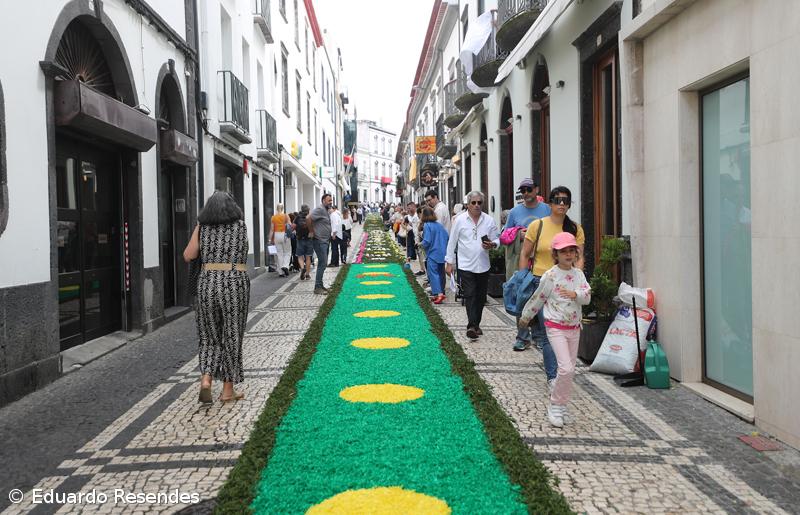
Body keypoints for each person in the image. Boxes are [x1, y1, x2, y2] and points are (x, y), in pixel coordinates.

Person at [183, 191, 250, 404]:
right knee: (231, 335)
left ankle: (206, 381)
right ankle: (228, 391)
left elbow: (188, 255)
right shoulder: (240, 226)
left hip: (207, 282)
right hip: (234, 281)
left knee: (208, 335)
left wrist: (199, 226)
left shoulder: (202, 228)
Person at [518, 232, 590, 428]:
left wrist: (576, 294)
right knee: (565, 367)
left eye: (571, 251)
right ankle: (556, 406)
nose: (568, 255)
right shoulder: (550, 276)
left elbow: (587, 297)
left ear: (576, 254)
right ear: (555, 255)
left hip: (574, 327)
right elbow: (539, 297)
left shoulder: (579, 275)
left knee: (570, 370)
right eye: (563, 251)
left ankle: (562, 405)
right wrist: (526, 317)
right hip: (555, 326)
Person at [518, 186, 585, 388]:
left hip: (567, 286)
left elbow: (579, 257)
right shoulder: (537, 226)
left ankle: (564, 371)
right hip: (542, 282)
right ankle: (552, 377)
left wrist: (578, 279)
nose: (561, 204)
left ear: (570, 204)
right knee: (548, 333)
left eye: (565, 200)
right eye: (557, 200)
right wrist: (523, 278)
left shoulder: (575, 229)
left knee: (567, 330)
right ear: (550, 203)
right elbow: (525, 253)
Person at [503, 178, 552, 351]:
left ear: (536, 189)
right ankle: (522, 337)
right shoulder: (515, 212)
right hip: (521, 261)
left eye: (529, 189)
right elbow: (505, 235)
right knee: (521, 297)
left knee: (541, 298)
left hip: (542, 261)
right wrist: (519, 235)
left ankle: (539, 336)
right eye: (522, 190)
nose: (525, 193)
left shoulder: (546, 209)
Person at [445, 191, 500, 340]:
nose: (476, 205)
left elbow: (497, 239)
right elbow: (452, 241)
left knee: (481, 297)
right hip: (465, 265)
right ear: (467, 204)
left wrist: (493, 244)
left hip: (483, 265)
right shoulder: (460, 220)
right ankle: (471, 325)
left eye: (479, 203)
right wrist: (449, 262)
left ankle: (476, 324)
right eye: (473, 203)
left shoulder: (488, 220)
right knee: (470, 294)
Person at [419, 207, 448, 304]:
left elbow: (427, 241)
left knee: (433, 274)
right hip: (442, 253)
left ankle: (438, 294)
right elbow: (447, 236)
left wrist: (420, 244)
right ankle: (441, 291)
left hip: (432, 253)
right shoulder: (439, 225)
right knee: (441, 273)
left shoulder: (427, 225)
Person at [309, 193, 333, 294]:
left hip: (325, 240)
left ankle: (320, 285)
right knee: (322, 263)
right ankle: (317, 287)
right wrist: (311, 231)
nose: (331, 202)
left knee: (323, 263)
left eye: (331, 200)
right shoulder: (319, 209)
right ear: (323, 201)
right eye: (329, 200)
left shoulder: (325, 210)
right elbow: (308, 218)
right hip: (319, 240)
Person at [269, 203, 292, 277]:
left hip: (276, 235)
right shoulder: (286, 216)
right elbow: (290, 225)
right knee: (287, 252)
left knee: (279, 253)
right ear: (283, 208)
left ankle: (281, 272)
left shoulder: (273, 217)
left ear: (276, 208)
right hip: (285, 235)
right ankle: (285, 266)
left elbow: (272, 229)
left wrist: (270, 239)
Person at [294, 205, 313, 280]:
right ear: (308, 210)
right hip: (309, 239)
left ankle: (302, 268)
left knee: (300, 256)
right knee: (308, 257)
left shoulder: (297, 217)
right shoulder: (310, 217)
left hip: (300, 239)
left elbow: (293, 226)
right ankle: (307, 274)